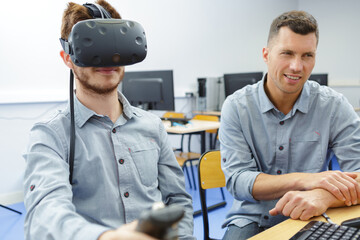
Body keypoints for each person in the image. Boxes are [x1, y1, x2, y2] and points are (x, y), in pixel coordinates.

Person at [23, 1, 195, 239]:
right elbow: (45, 214)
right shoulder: (50, 134)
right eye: (91, 47)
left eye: (114, 46)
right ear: (67, 58)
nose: (106, 60)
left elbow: (178, 200)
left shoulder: (152, 126)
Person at [219, 10, 360, 240]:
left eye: (307, 55)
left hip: (313, 213)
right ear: (266, 55)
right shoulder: (236, 107)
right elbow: (238, 181)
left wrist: (323, 197)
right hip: (253, 217)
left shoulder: (333, 106)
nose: (297, 66)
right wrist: (306, 179)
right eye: (287, 53)